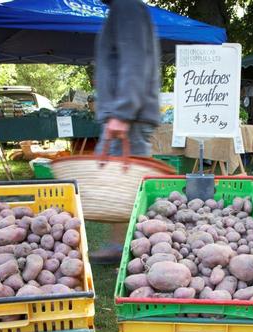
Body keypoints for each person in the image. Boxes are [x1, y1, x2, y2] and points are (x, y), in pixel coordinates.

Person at [89, 0, 160, 265]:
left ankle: (135, 244)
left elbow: (135, 62)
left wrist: (122, 112)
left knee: (125, 185)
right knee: (123, 184)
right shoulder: (125, 7)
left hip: (128, 116)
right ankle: (123, 244)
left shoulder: (126, 7)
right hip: (128, 114)